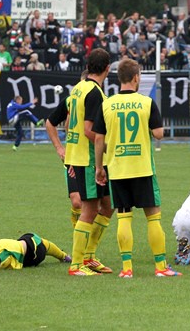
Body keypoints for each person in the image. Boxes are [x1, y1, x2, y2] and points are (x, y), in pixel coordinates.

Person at [93, 58, 181, 278]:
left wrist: (99, 168)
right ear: (136, 78)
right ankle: (160, 267)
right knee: (153, 217)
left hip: (118, 169)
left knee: (124, 217)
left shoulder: (107, 104)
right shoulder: (146, 102)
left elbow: (97, 140)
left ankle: (126, 268)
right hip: (142, 168)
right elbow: (158, 134)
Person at [45, 48, 114, 276]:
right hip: (86, 159)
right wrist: (111, 145)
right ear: (107, 68)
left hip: (78, 157)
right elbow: (88, 130)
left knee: (108, 205)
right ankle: (77, 264)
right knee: (89, 209)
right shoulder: (94, 92)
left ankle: (90, 256)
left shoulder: (78, 89)